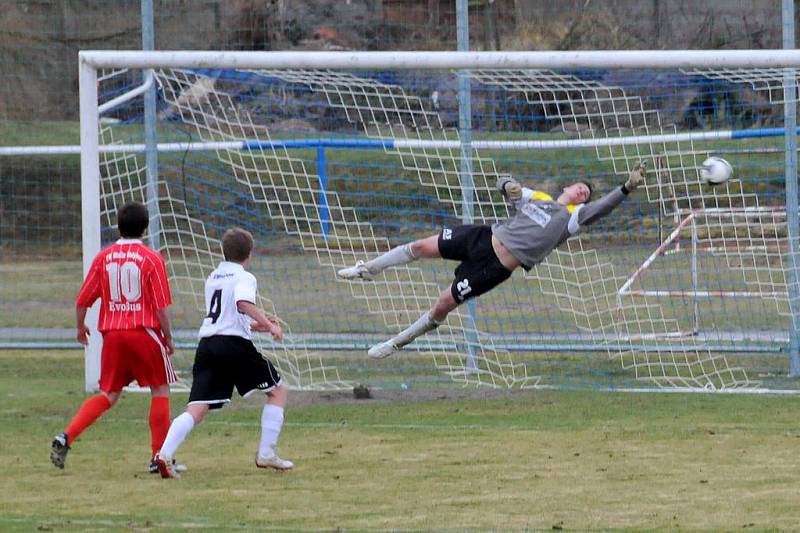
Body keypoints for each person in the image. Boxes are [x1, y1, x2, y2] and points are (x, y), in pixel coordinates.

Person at [338, 161, 648, 359]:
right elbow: (504, 183)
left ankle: (396, 343)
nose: (584, 191)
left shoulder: (571, 219)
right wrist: (508, 185)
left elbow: (603, 208)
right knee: (420, 246)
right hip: (482, 238)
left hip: (495, 267)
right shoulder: (537, 198)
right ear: (567, 187)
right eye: (581, 186)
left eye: (587, 194)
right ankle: (367, 269)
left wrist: (626, 188)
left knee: (444, 303)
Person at [51, 201, 180, 475]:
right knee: (160, 389)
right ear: (145, 228)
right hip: (144, 333)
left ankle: (67, 436)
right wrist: (168, 338)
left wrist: (80, 327)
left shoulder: (103, 257)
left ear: (118, 227)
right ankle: (158, 457)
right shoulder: (152, 259)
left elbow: (82, 300)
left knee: (108, 394)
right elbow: (160, 308)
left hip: (112, 336)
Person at [152, 227, 290, 479]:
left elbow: (228, 317)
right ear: (250, 254)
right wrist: (270, 326)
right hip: (233, 346)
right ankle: (266, 453)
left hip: (207, 345)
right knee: (277, 390)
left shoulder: (214, 276)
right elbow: (243, 304)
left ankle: (163, 454)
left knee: (198, 408)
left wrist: (257, 325)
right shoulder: (245, 277)